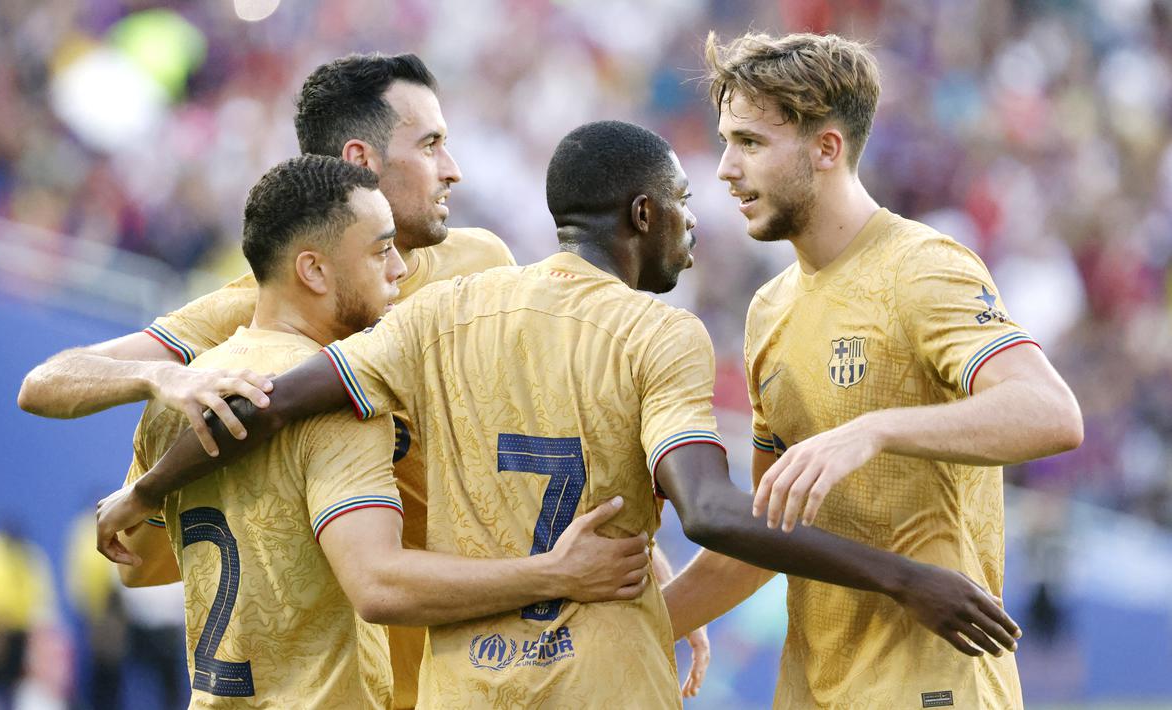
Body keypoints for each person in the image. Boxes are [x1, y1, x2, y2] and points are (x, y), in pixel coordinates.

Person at [97, 121, 1021, 708]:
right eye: (685, 208)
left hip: (467, 686)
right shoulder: (656, 336)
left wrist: (144, 490)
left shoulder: (438, 316)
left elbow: (265, 404)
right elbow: (711, 513)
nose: (697, 231)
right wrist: (902, 579)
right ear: (642, 211)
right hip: (599, 685)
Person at [112, 154, 650, 708]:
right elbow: (379, 584)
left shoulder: (183, 394)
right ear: (314, 271)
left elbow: (136, 564)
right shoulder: (345, 407)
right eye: (380, 250)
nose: (399, 269)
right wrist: (553, 574)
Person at [664, 32, 1084, 708]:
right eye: (724, 140)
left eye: (748, 143)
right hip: (811, 685)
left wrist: (875, 429)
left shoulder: (921, 267)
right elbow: (773, 532)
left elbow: (1050, 414)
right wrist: (640, 631)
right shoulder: (768, 310)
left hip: (927, 683)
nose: (723, 168)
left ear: (826, 148)